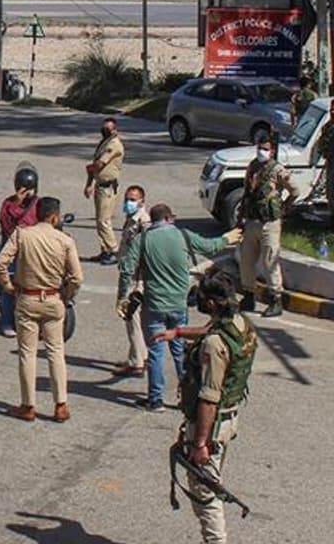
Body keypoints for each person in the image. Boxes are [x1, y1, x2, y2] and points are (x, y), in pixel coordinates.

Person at [151, 278, 257, 544]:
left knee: (205, 494)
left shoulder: (213, 345)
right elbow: (211, 331)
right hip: (228, 419)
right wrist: (178, 333)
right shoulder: (240, 324)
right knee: (209, 484)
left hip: (209, 426)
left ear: (211, 302)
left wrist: (200, 443)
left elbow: (209, 397)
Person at [117, 204, 242, 412]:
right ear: (168, 218)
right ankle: (188, 397)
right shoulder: (183, 236)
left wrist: (122, 297)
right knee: (179, 350)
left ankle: (155, 400)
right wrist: (229, 237)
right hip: (179, 304)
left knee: (156, 352)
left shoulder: (143, 239)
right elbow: (210, 247)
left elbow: (127, 269)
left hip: (154, 304)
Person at [0, 197, 85, 423]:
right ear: (55, 216)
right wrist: (66, 295)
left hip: (27, 298)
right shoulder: (64, 240)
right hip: (54, 299)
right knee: (56, 351)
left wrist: (8, 286)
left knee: (27, 353)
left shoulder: (22, 235)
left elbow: (0, 263)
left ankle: (28, 405)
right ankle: (61, 404)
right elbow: (77, 277)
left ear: (36, 214)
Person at [236, 136, 298, 317]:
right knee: (246, 260)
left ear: (272, 151)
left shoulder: (277, 170)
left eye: (265, 148)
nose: (261, 151)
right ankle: (248, 295)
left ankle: (275, 299)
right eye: (259, 147)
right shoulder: (253, 166)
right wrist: (241, 218)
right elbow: (247, 193)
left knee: (270, 260)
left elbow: (295, 190)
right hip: (251, 221)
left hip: (269, 223)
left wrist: (284, 206)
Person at [0, 165, 41, 337]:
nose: (27, 194)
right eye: (23, 189)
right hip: (13, 251)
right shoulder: (8, 205)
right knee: (10, 288)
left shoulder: (39, 203)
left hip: (35, 251)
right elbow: (9, 226)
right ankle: (7, 321)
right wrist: (17, 202)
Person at [112, 184, 151, 377]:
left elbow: (144, 252)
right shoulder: (132, 219)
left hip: (136, 278)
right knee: (133, 321)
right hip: (131, 273)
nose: (129, 202)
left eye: (133, 199)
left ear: (142, 201)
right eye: (127, 198)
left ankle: (137, 363)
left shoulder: (143, 222)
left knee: (132, 319)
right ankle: (137, 356)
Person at [85, 117, 125, 265]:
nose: (105, 131)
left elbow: (100, 164)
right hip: (99, 185)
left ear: (115, 130)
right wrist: (89, 184)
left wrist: (90, 168)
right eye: (104, 128)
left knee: (104, 221)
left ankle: (113, 251)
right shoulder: (104, 143)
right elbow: (95, 164)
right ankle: (105, 250)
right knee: (99, 221)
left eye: (108, 129)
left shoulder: (114, 145)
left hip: (108, 187)